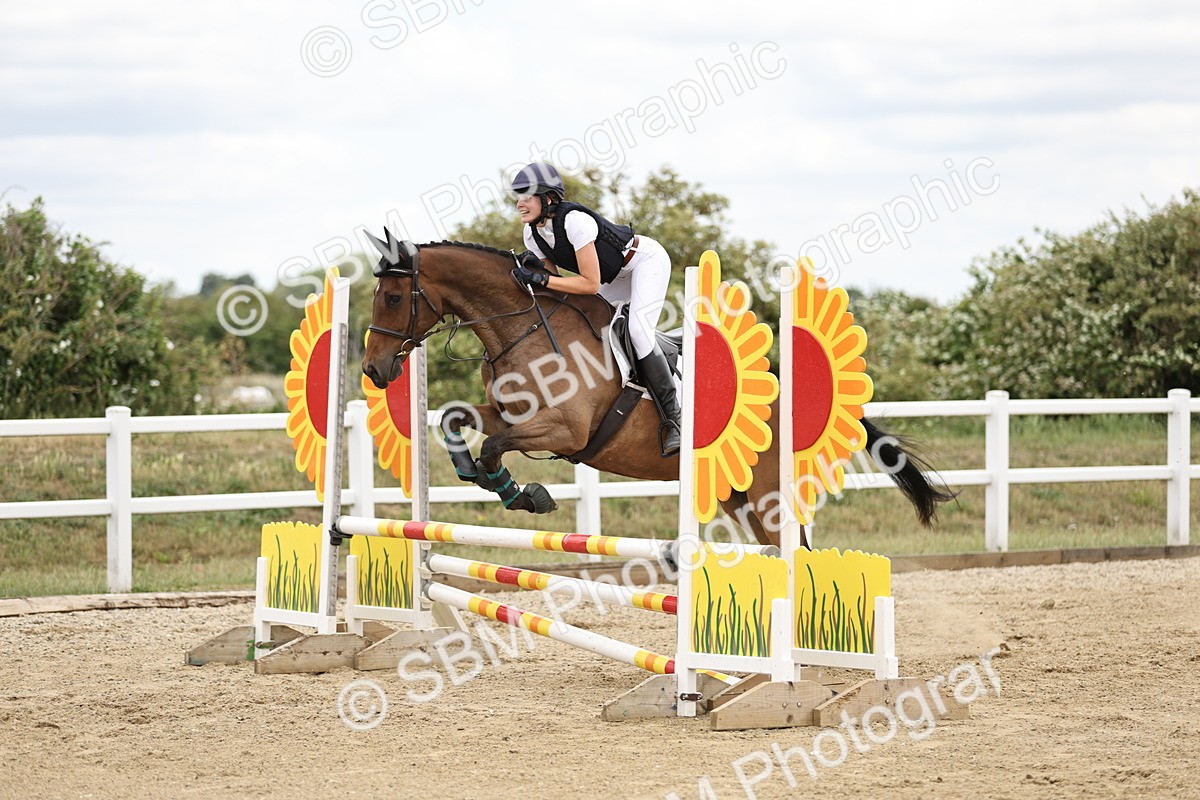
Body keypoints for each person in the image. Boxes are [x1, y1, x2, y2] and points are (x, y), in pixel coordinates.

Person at [509, 162, 680, 456]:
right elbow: (557, 285)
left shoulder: (575, 221)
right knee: (593, 325)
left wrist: (542, 278)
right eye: (518, 196)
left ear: (548, 199)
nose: (519, 203)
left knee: (638, 330)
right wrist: (535, 274)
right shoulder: (531, 234)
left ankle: (674, 419)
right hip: (609, 278)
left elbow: (589, 284)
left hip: (641, 264)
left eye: (527, 196)